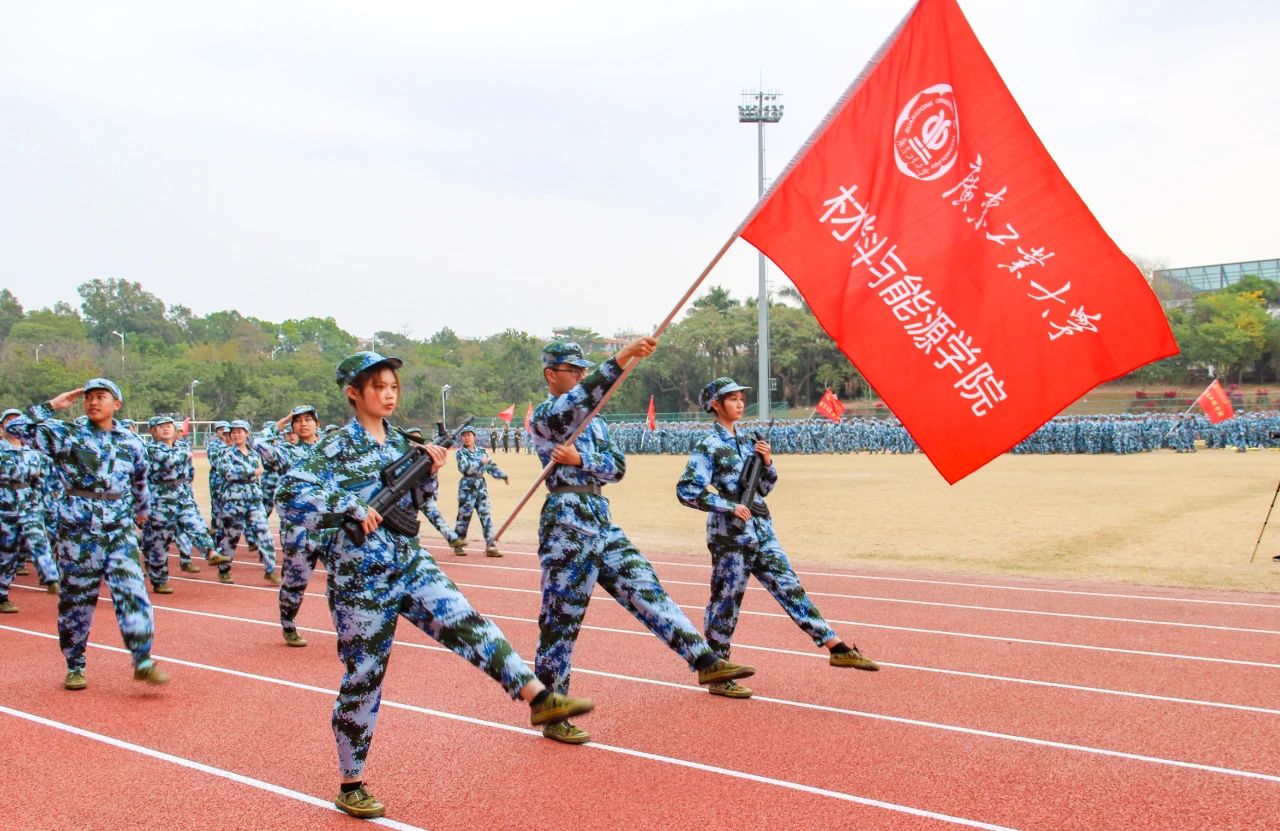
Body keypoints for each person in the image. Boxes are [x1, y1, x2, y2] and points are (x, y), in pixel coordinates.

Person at [276, 351, 593, 819]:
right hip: (360, 579)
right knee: (364, 678)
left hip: (409, 560)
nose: (388, 394)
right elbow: (289, 495)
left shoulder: (404, 443)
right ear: (353, 393)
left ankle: (538, 697)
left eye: (393, 387)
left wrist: (429, 472)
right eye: (378, 386)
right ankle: (351, 782)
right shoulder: (333, 447)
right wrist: (352, 506)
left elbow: (418, 502)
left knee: (469, 622)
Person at [528, 339, 753, 745]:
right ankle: (551, 708)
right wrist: (622, 357)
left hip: (600, 516)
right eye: (572, 370)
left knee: (646, 586)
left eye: (582, 370)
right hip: (565, 522)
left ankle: (704, 660)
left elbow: (617, 468)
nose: (580, 376)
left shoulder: (595, 421)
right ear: (551, 374)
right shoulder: (549, 415)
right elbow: (580, 399)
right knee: (561, 620)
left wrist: (582, 461)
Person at [677, 378, 877, 699]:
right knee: (725, 602)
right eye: (732, 398)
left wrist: (767, 462)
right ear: (716, 404)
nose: (740, 403)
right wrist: (729, 506)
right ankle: (717, 673)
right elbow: (687, 490)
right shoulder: (708, 445)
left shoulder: (750, 441)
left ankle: (835, 647)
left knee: (789, 586)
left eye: (741, 398)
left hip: (761, 528)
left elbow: (765, 487)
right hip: (730, 534)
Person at [4, 379, 169, 690]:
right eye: (89, 397)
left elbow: (139, 479)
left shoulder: (131, 442)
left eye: (101, 396)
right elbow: (16, 428)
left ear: (116, 404)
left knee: (133, 594)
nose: (93, 402)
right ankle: (75, 663)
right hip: (78, 534)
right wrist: (53, 405)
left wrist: (142, 509)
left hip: (119, 531)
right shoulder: (66, 435)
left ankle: (142, 658)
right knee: (76, 603)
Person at [141, 416, 217, 594]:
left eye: (169, 425)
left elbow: (189, 471)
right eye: (160, 426)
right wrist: (185, 456)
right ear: (152, 431)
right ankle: (159, 580)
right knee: (159, 542)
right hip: (160, 500)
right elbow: (169, 461)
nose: (166, 429)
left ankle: (210, 552)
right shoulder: (151, 449)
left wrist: (187, 483)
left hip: (182, 495)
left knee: (195, 524)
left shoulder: (182, 447)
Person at [272, 404, 325, 647]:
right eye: (298, 420)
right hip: (298, 526)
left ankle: (351, 626)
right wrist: (280, 423)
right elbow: (257, 443)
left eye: (308, 419)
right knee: (296, 578)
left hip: (330, 524)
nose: (303, 424)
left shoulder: (329, 451)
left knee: (346, 577)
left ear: (317, 424)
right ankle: (288, 623)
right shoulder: (286, 452)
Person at [210, 420, 280, 585]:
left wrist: (254, 474)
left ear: (247, 433)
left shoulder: (255, 454)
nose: (236, 435)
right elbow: (228, 473)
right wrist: (252, 472)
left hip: (254, 501)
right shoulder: (226, 454)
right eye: (233, 432)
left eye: (240, 431)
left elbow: (265, 468)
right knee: (230, 538)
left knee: (265, 535)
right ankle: (224, 570)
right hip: (234, 502)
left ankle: (270, 570)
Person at [404, 427, 466, 557]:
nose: (416, 442)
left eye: (418, 438)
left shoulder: (427, 453)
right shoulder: (403, 456)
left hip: (424, 494)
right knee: (407, 523)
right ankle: (410, 547)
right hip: (407, 496)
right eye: (413, 439)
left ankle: (453, 539)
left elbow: (433, 475)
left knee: (435, 515)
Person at [453, 426, 508, 557]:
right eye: (464, 436)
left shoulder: (482, 452)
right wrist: (480, 462)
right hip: (467, 488)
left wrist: (502, 475)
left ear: (474, 436)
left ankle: (491, 546)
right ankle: (458, 544)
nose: (466, 438)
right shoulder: (460, 453)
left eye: (469, 435)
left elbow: (490, 466)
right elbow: (466, 468)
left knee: (486, 517)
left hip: (481, 488)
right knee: (464, 518)